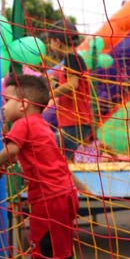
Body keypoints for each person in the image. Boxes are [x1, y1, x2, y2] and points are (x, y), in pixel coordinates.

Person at [0, 74, 78, 259]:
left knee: (38, 235)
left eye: (7, 101)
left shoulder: (22, 123)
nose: (3, 107)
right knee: (57, 235)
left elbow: (10, 152)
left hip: (46, 194)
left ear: (23, 105)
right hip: (65, 191)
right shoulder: (41, 124)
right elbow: (23, 156)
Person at [44, 22, 94, 162]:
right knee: (62, 160)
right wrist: (54, 84)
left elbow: (72, 85)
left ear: (58, 42)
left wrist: (48, 95)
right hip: (72, 121)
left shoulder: (72, 58)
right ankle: (69, 184)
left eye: (51, 42)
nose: (50, 46)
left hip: (75, 121)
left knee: (53, 156)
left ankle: (63, 184)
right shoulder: (69, 60)